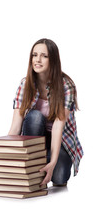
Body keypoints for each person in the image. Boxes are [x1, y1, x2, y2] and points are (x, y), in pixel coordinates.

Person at [8, 38, 83, 187]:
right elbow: (16, 126)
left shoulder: (66, 85)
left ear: (53, 60)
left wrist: (53, 161)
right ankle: (35, 161)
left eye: (44, 56)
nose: (38, 59)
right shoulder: (25, 84)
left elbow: (57, 127)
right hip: (36, 138)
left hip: (60, 140)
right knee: (35, 117)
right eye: (34, 55)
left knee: (59, 179)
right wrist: (8, 154)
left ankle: (47, 160)